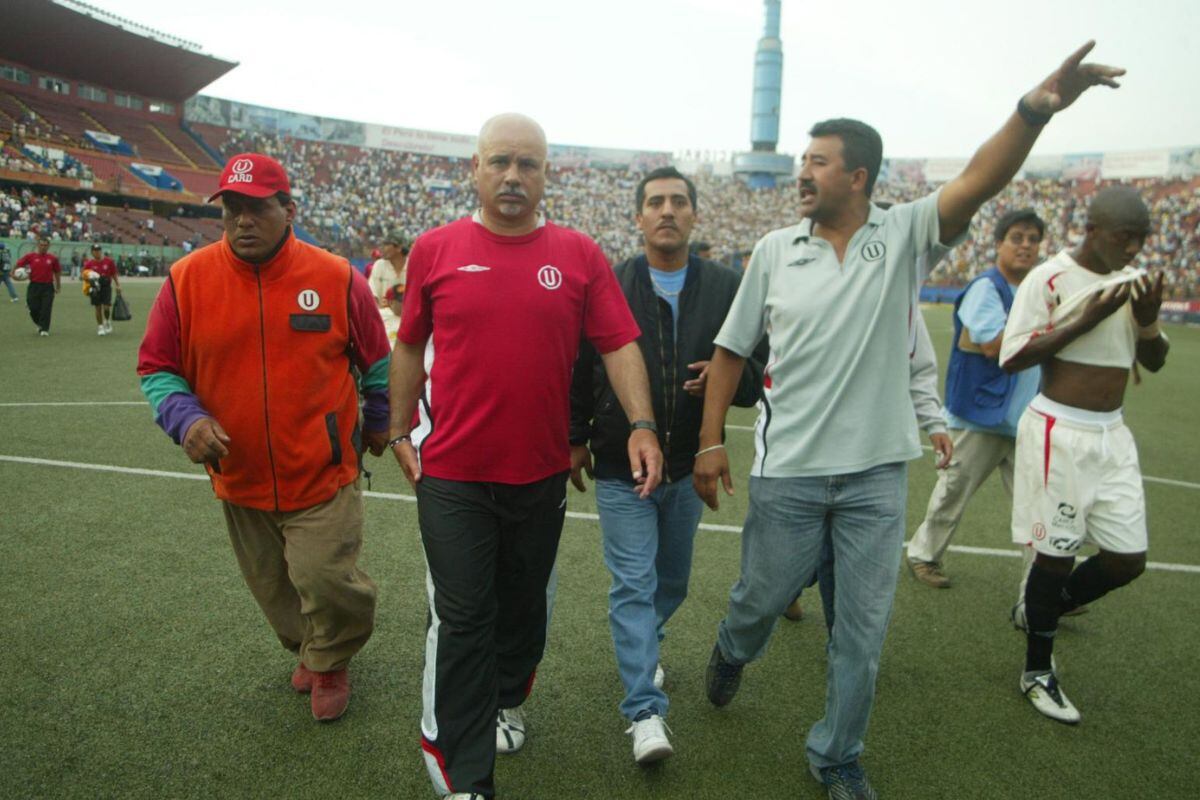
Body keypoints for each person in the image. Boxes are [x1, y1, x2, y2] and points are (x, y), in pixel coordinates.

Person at [691, 43, 1124, 800]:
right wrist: (705, 446)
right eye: (801, 158)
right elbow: (729, 354)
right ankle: (733, 648)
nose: (802, 171)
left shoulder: (901, 237)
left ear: (857, 176)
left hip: (874, 479)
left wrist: (1033, 111)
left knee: (860, 634)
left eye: (818, 161)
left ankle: (837, 756)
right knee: (758, 602)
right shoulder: (772, 249)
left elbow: (979, 182)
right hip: (787, 473)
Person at [388, 113, 662, 800]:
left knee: (521, 613)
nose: (514, 175)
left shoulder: (578, 254)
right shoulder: (435, 249)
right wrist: (396, 430)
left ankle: (509, 695)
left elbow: (619, 344)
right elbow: (408, 344)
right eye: (501, 162)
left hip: (540, 475)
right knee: (462, 617)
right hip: (451, 473)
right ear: (475, 170)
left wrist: (642, 423)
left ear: (547, 175)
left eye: (529, 164)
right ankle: (464, 776)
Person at [136, 153, 391, 723]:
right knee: (272, 586)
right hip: (238, 472)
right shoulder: (187, 279)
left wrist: (378, 421)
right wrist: (186, 419)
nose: (243, 221)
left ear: (288, 209)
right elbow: (156, 367)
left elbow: (377, 363)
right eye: (232, 209)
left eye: (257, 208)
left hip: (323, 467)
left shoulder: (335, 277)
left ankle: (328, 660)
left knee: (327, 578)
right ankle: (309, 646)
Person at [568, 166, 767, 764]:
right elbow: (580, 365)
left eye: (679, 201)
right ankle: (645, 712)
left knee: (671, 581)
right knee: (633, 581)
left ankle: (644, 647)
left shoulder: (730, 285)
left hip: (687, 465)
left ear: (695, 214)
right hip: (619, 461)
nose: (667, 211)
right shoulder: (608, 281)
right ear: (638, 216)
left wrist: (728, 380)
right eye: (655, 202)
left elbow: (759, 372)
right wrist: (575, 436)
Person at [999, 186, 1168, 724]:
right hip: (1059, 431)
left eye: (1141, 239)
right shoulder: (1049, 279)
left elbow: (1156, 359)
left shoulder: (1132, 281)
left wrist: (1147, 319)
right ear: (1093, 229)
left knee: (1127, 560)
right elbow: (1012, 355)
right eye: (1125, 238)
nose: (1134, 250)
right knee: (1056, 555)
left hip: (1111, 435)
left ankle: (1043, 607)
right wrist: (1081, 321)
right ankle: (1037, 671)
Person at [785, 309, 954, 624]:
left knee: (843, 555)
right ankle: (788, 587)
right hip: (807, 445)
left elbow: (919, 367)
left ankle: (842, 647)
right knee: (809, 544)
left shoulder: (901, 301)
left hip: (873, 453)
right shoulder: (809, 288)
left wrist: (933, 423)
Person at [907, 210, 1045, 588]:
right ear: (998, 243)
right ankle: (923, 555)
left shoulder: (1037, 289)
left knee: (1039, 505)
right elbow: (994, 346)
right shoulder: (986, 288)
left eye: (1033, 239)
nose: (1026, 246)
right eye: (1017, 237)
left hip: (1025, 417)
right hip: (979, 415)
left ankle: (1043, 585)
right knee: (953, 491)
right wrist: (1052, 326)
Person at [17, 236, 61, 336]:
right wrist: (13, 274)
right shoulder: (30, 256)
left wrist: (58, 286)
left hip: (48, 287)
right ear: (38, 245)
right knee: (33, 308)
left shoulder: (52, 259)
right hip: (34, 286)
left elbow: (57, 272)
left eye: (45, 245)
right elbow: (19, 264)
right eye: (41, 245)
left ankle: (44, 329)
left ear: (48, 246)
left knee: (46, 308)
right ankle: (40, 324)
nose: (43, 247)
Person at [82, 243, 121, 336]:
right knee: (98, 307)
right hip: (95, 287)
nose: (97, 252)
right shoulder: (89, 263)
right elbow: (84, 275)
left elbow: (114, 274)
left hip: (106, 286)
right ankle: (100, 326)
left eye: (99, 250)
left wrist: (118, 285)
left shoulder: (109, 262)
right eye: (95, 251)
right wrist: (89, 280)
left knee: (106, 307)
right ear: (92, 252)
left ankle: (107, 321)